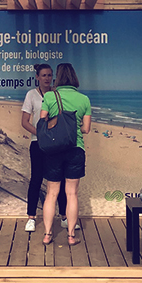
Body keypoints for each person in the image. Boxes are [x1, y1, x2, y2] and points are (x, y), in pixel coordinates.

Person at [39, 63, 91, 246]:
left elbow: (42, 119)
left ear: (58, 77)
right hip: (75, 149)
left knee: (51, 194)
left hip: (54, 150)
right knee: (72, 194)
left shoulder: (50, 96)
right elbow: (86, 129)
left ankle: (47, 234)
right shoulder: (84, 99)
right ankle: (70, 236)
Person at [20, 64, 67, 233]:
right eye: (44, 75)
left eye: (50, 75)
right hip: (38, 143)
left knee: (58, 180)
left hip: (56, 144)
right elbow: (25, 122)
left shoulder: (57, 94)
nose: (47, 78)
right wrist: (41, 135)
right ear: (37, 77)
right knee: (36, 180)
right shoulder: (31, 95)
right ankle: (31, 218)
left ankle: (64, 217)